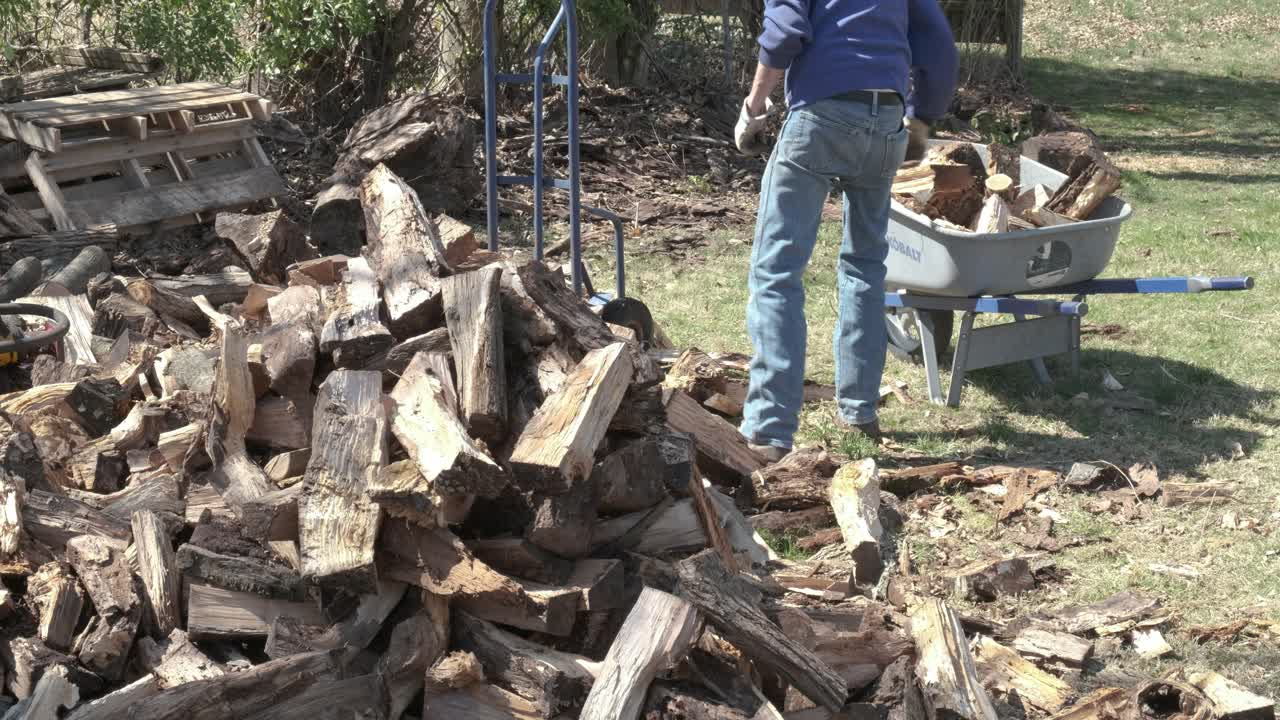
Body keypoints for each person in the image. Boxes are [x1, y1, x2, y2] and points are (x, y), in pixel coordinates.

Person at [734, 0, 959, 461]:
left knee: (777, 270)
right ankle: (860, 411)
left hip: (822, 115)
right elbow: (938, 44)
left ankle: (768, 430)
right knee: (865, 266)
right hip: (886, 121)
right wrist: (922, 117)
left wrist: (753, 109)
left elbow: (785, 30)